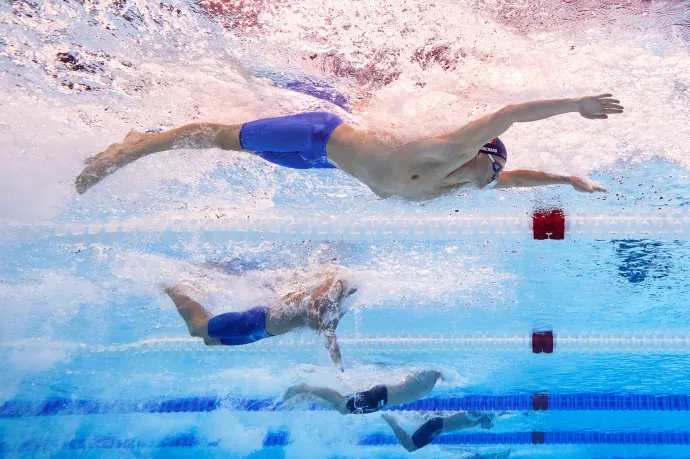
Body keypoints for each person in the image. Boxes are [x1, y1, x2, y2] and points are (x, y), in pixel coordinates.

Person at [75, 94, 623, 199]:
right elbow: (510, 114)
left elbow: (519, 178)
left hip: (318, 165)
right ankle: (135, 148)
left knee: (233, 150)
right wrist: (577, 104)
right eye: (488, 171)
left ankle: (142, 144)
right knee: (221, 140)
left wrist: (569, 180)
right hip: (319, 135)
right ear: (479, 155)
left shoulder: (472, 181)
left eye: (489, 179)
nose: (487, 181)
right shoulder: (449, 153)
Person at [164, 274, 355, 371]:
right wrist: (326, 335)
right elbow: (309, 308)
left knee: (210, 340)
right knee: (197, 329)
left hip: (264, 332)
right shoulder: (336, 284)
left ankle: (200, 302)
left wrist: (339, 367)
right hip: (255, 322)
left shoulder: (343, 299)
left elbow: (327, 327)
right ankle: (171, 287)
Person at [282, 370, 442, 414]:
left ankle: (307, 397)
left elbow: (409, 378)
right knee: (342, 403)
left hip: (382, 398)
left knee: (342, 408)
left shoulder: (424, 386)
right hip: (381, 398)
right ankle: (303, 388)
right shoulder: (427, 384)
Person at [381, 410, 503, 454]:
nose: (490, 427)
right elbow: (472, 411)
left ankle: (396, 416)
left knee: (413, 419)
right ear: (487, 418)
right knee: (410, 447)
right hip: (436, 426)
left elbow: (502, 413)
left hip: (437, 426)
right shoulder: (475, 417)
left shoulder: (477, 420)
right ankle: (391, 419)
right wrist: (486, 416)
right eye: (491, 424)